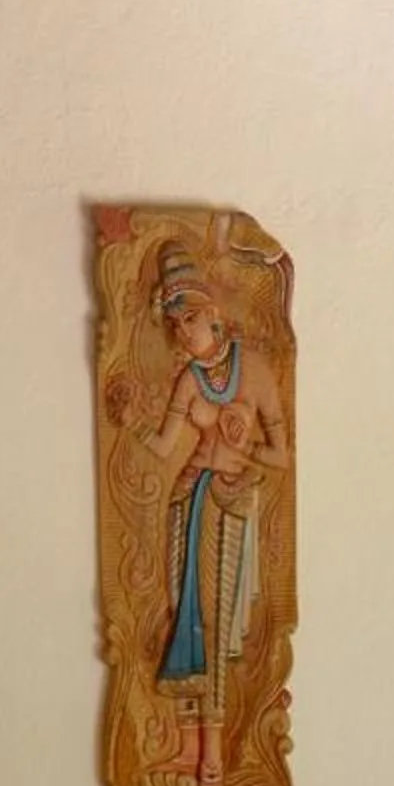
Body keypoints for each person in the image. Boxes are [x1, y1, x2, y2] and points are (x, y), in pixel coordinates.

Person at [143, 242, 290, 692]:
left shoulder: (257, 370)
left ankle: (216, 733)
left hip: (230, 498)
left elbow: (281, 457)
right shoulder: (190, 379)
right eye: (174, 324)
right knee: (180, 609)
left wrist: (229, 440)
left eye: (189, 317)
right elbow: (165, 446)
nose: (182, 332)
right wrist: (131, 421)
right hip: (187, 496)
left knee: (219, 617)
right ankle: (188, 729)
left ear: (213, 313)